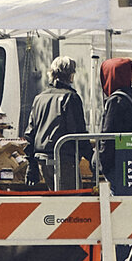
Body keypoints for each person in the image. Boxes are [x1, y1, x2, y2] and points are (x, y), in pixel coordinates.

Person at [25, 58, 88, 187]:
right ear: (71, 76)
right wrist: (92, 158)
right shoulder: (71, 98)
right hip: (64, 159)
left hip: (42, 159)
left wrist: (31, 165)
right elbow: (78, 132)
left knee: (57, 201)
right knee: (73, 202)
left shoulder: (39, 98)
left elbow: (30, 133)